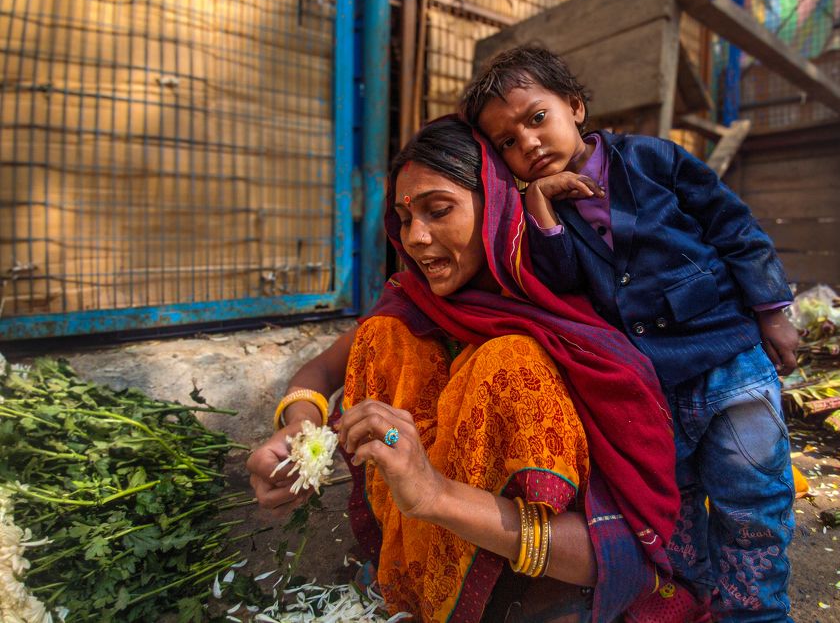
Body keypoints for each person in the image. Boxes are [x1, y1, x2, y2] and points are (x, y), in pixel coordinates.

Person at [247, 117, 707, 623]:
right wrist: (297, 434)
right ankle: (418, 570)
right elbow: (318, 373)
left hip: (545, 587)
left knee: (507, 361)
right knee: (381, 336)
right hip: (422, 562)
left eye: (438, 211)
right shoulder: (413, 304)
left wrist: (435, 495)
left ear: (496, 206)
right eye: (404, 218)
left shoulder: (562, 321)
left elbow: (613, 553)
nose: (417, 238)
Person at [461, 45, 800, 623]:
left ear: (575, 107)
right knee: (678, 510)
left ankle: (759, 614)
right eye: (507, 143)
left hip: (728, 362)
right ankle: (698, 602)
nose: (528, 144)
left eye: (536, 119)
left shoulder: (653, 159)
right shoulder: (535, 213)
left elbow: (733, 226)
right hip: (653, 393)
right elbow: (563, 279)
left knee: (754, 504)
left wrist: (772, 311)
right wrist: (542, 211)